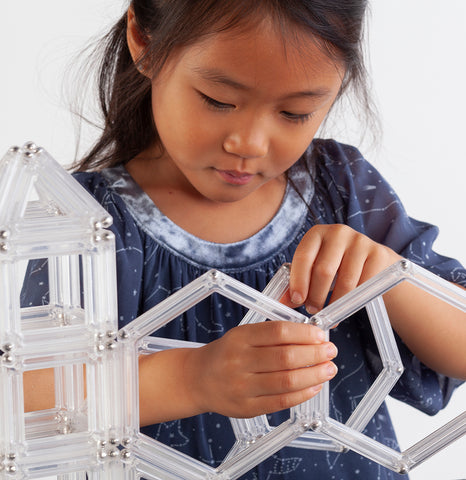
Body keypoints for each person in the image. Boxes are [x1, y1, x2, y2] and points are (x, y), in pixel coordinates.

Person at [21, 1, 466, 479]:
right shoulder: (88, 221)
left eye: (294, 112)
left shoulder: (343, 188)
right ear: (144, 41)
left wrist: (387, 276)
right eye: (218, 100)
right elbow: (31, 399)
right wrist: (192, 379)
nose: (249, 142)